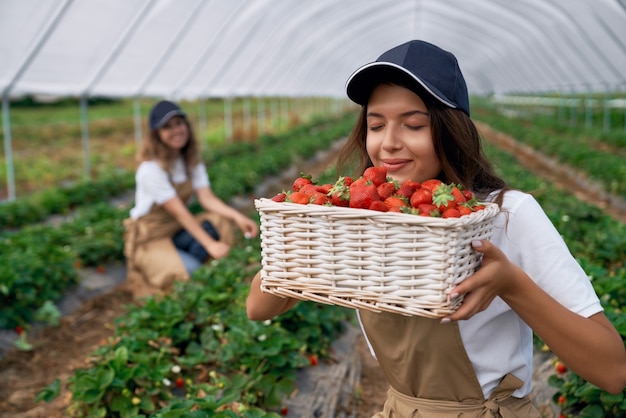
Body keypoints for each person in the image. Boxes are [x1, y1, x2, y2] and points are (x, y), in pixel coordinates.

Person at [246, 40, 626, 416]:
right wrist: (302, 241)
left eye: (413, 125)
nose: (388, 144)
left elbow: (613, 371)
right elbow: (258, 308)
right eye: (376, 125)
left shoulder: (507, 214)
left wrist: (512, 285)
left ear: (451, 130)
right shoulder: (363, 220)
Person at [123, 100, 258, 295]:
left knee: (219, 223)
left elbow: (206, 198)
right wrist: (209, 244)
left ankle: (190, 259)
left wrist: (237, 217)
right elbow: (179, 212)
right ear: (156, 135)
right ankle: (181, 267)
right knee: (191, 271)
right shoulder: (150, 169)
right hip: (151, 236)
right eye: (167, 127)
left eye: (179, 123)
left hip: (176, 229)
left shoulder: (189, 160)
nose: (176, 130)